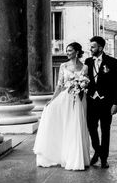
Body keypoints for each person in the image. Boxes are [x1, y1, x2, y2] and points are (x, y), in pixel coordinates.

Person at [32, 42, 90, 170]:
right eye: (67, 50)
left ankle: (75, 158)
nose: (67, 53)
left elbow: (86, 83)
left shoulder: (85, 67)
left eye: (70, 50)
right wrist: (52, 101)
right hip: (66, 99)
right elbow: (59, 86)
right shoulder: (63, 66)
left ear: (76, 52)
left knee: (76, 126)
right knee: (65, 126)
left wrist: (82, 85)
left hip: (79, 100)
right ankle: (62, 155)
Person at [84, 36, 117, 168]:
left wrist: (116, 103)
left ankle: (103, 159)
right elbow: (85, 80)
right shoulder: (87, 62)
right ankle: (98, 152)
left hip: (106, 103)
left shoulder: (112, 62)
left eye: (93, 46)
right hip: (91, 102)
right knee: (92, 130)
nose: (90, 49)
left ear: (100, 47)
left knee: (105, 131)